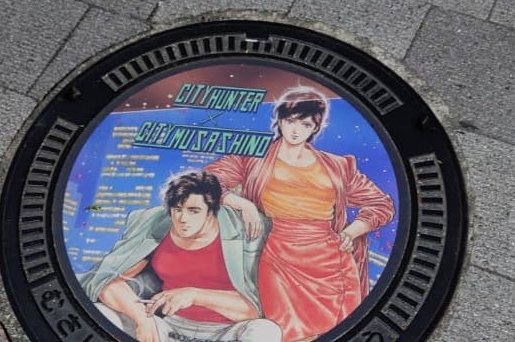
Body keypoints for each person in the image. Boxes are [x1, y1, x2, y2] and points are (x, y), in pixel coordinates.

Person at [204, 85, 395, 342]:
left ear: (315, 127)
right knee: (284, 331)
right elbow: (207, 182)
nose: (295, 130)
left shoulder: (338, 166)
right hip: (279, 254)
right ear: (280, 121)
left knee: (336, 331)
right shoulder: (253, 157)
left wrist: (352, 231)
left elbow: (381, 204)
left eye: (305, 124)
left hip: (331, 259)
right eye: (290, 121)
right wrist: (243, 204)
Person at [77, 170, 282, 342]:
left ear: (212, 211)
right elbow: (108, 281)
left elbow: (252, 309)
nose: (183, 219)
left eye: (193, 210)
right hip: (169, 329)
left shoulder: (245, 232)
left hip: (228, 333)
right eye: (177, 209)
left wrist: (195, 295)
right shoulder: (155, 224)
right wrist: (142, 320)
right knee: (102, 313)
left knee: (266, 331)